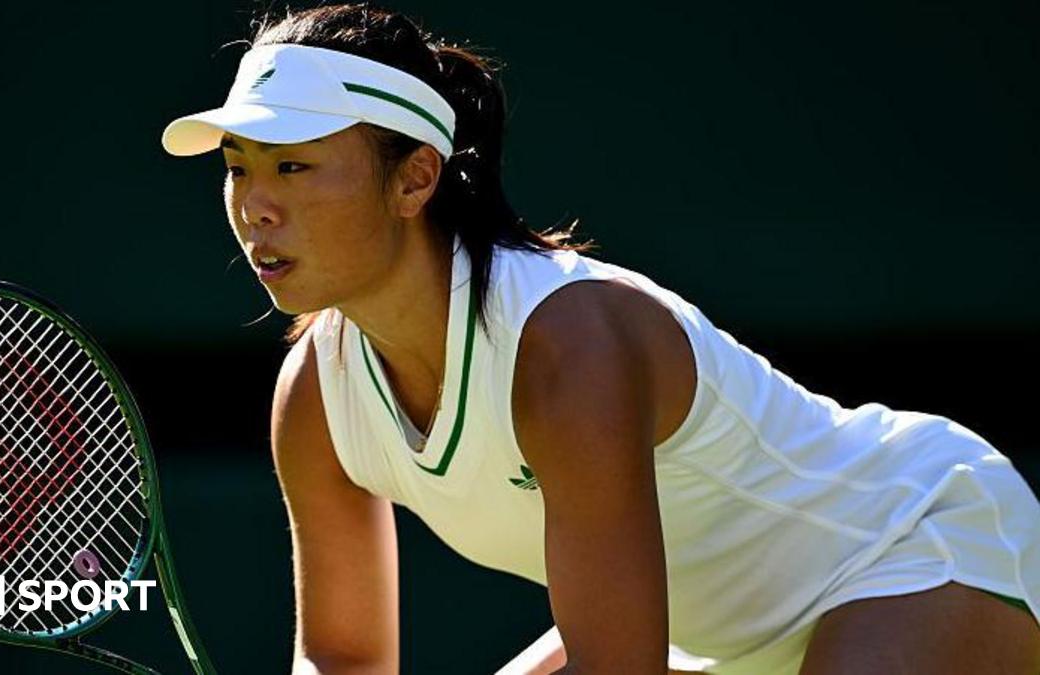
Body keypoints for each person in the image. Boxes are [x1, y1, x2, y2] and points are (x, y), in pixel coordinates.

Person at [161, 4, 1040, 673]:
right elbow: (346, 660)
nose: (254, 205)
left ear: (414, 178)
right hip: (707, 640)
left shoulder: (565, 347)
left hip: (904, 546)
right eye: (237, 168)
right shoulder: (314, 395)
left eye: (293, 165)